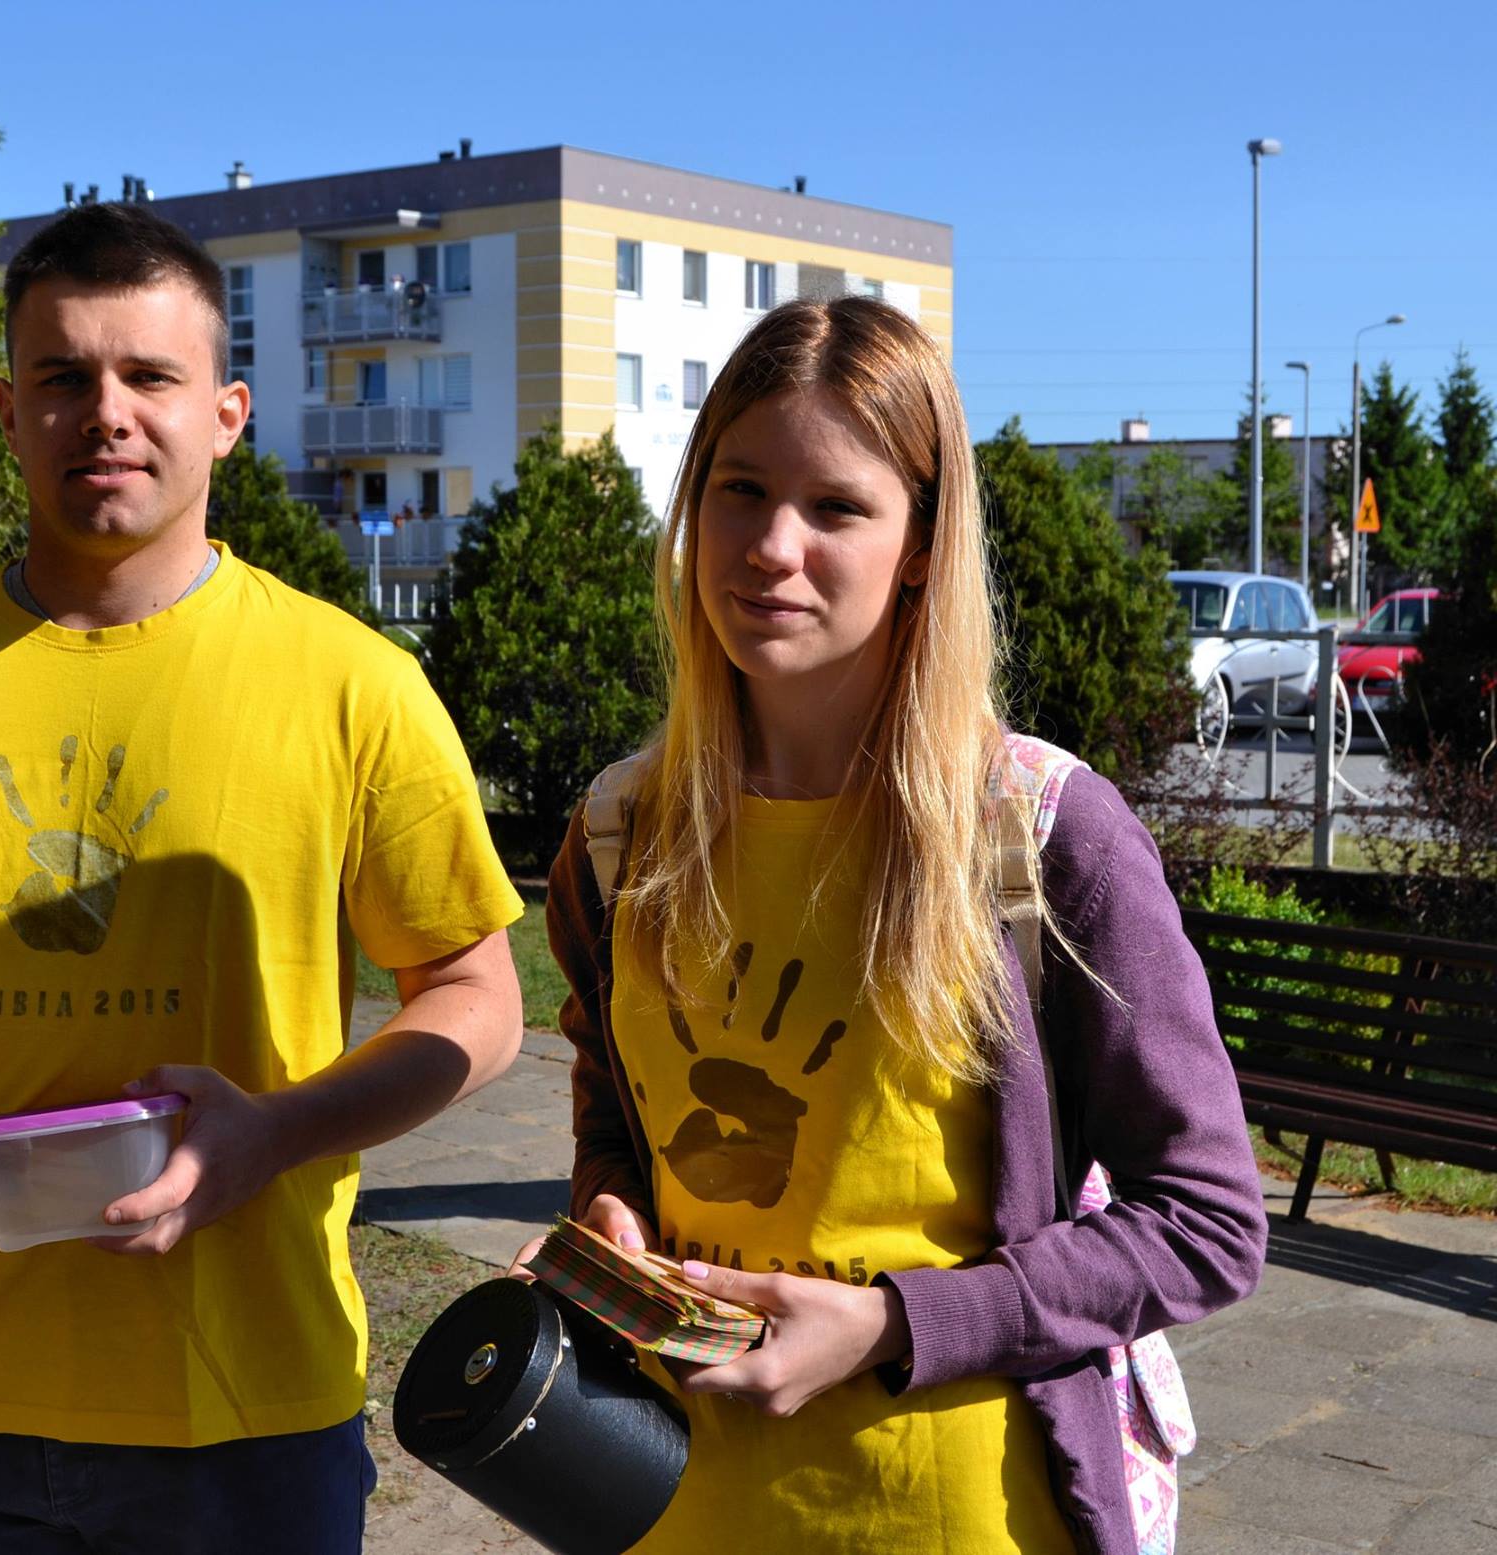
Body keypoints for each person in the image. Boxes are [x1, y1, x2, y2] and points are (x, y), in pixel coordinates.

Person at [0, 199, 525, 1553]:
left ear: (227, 412)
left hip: (243, 1395)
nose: (106, 413)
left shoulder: (354, 687)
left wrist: (275, 1132)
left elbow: (478, 999)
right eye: (62, 376)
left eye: (150, 375)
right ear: (7, 409)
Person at [522, 296, 1265, 1552]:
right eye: (740, 491)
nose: (771, 546)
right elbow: (613, 1122)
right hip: (666, 1507)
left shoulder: (1044, 835)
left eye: (835, 507)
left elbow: (1206, 1222)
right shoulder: (616, 834)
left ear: (919, 542)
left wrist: (891, 1326)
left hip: (955, 1514)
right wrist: (611, 1214)